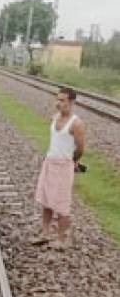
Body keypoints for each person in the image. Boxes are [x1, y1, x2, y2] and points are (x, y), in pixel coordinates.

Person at [31, 87, 85, 250]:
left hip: (64, 165)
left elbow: (80, 148)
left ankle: (61, 240)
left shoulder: (76, 123)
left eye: (62, 100)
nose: (58, 103)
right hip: (50, 162)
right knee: (46, 199)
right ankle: (45, 233)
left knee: (62, 203)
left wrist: (72, 161)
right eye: (57, 99)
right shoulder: (54, 118)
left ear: (71, 102)